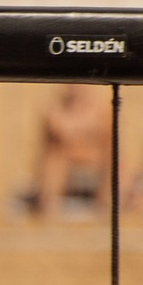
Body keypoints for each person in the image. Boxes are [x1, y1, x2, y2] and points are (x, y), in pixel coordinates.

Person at [27, 84, 110, 220]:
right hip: (66, 169)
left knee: (114, 157)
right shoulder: (55, 112)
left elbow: (109, 145)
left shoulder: (101, 110)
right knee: (54, 157)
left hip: (95, 167)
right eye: (70, 84)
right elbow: (48, 149)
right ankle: (47, 204)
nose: (74, 88)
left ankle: (107, 203)